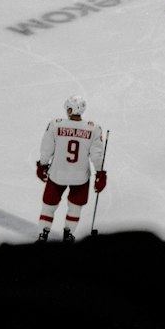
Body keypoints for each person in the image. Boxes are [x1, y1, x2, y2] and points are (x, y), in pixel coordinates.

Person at [34, 94, 107, 241]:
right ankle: (68, 235)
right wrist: (100, 173)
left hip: (57, 174)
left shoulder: (56, 124)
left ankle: (43, 235)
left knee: (49, 206)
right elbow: (96, 155)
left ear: (69, 109)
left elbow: (46, 148)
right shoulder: (94, 128)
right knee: (75, 207)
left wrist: (42, 165)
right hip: (80, 176)